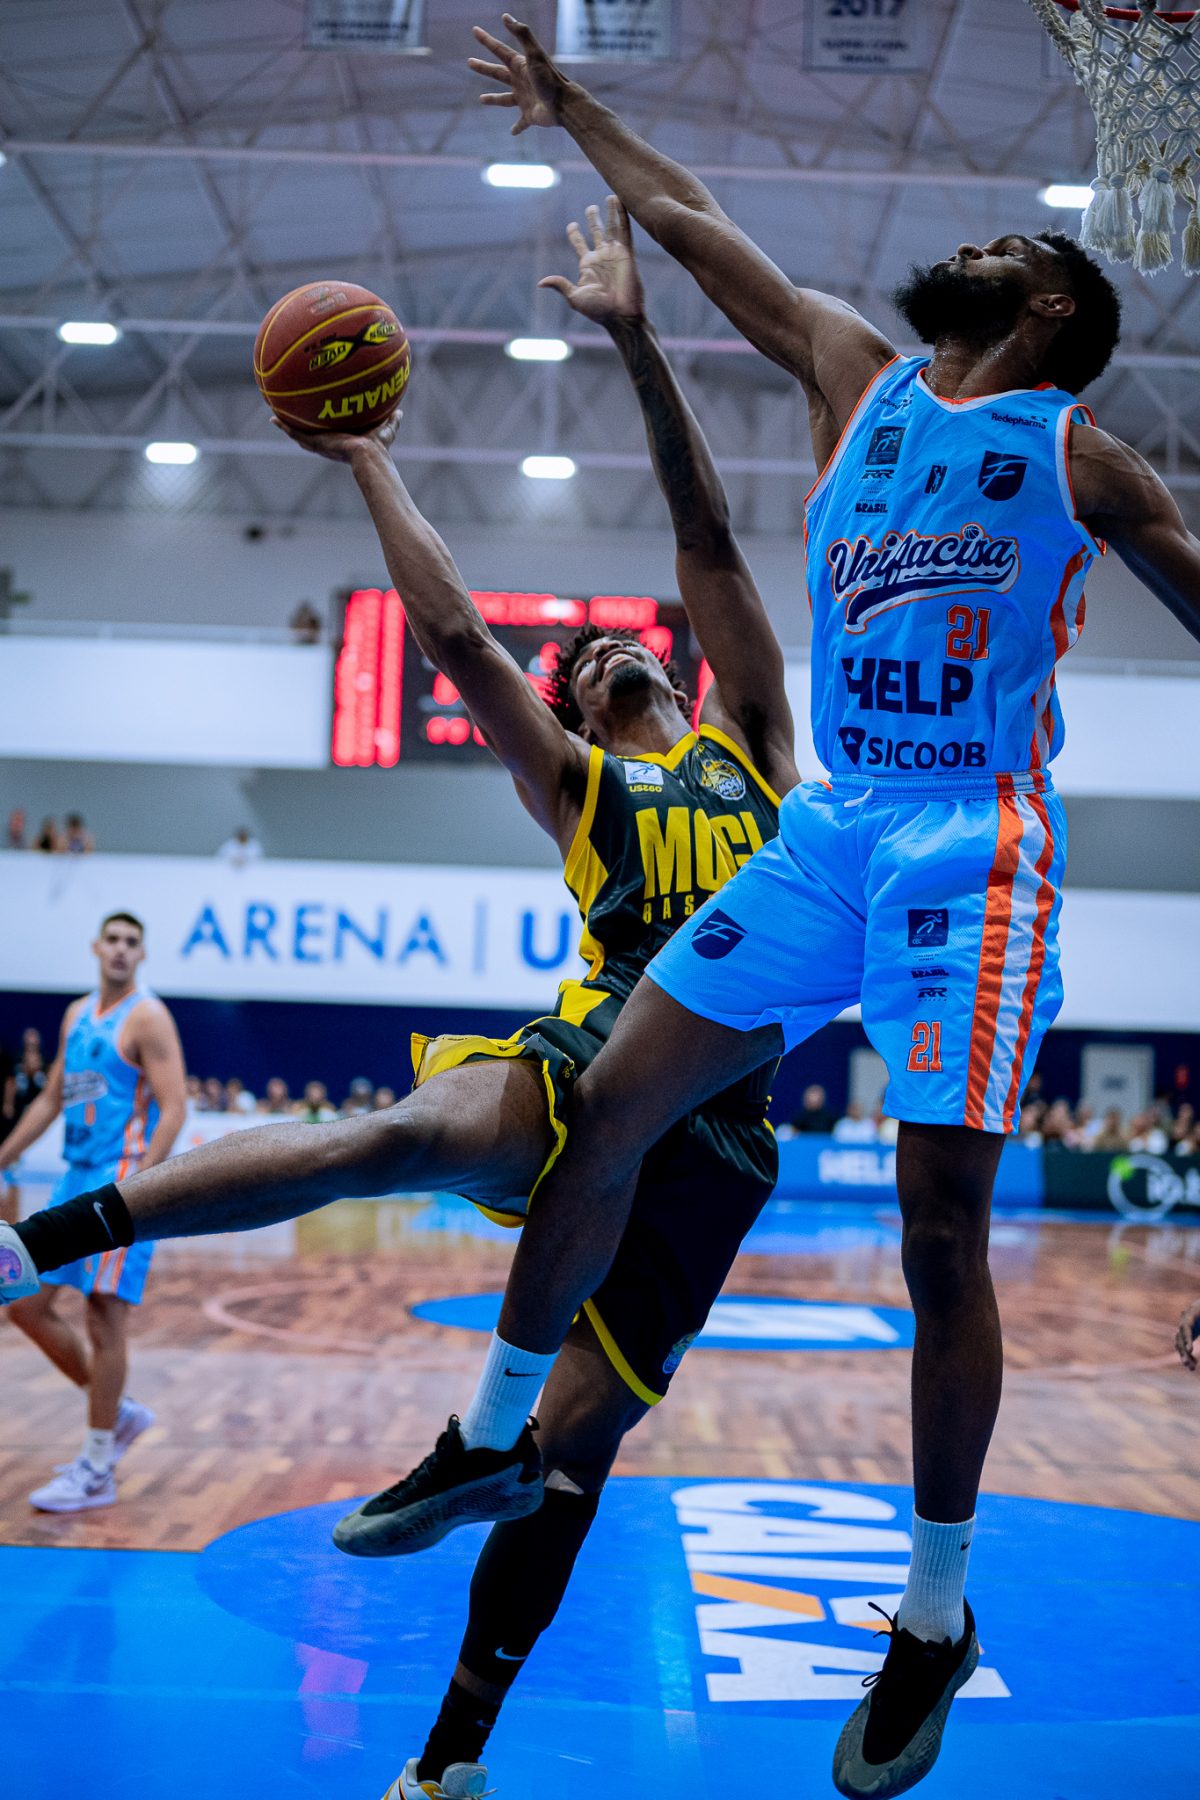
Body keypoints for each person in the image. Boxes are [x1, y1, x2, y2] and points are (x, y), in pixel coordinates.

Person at [370, 17, 1200, 1799]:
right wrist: (574, 107)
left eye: (1008, 246)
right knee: (606, 1104)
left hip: (976, 842)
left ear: (1051, 306)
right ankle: (493, 1435)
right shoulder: (858, 376)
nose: (970, 245)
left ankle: (933, 1613)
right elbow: (692, 219)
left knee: (938, 1232)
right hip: (833, 825)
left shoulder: (1082, 459)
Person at [0, 209, 799, 1799]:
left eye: (617, 648)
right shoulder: (582, 790)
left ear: (678, 675)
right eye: (579, 664)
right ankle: (33, 1243)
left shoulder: (755, 751)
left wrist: (641, 339)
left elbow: (707, 536)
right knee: (387, 1137)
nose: (599, 658)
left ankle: (450, 1763)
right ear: (577, 711)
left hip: (722, 1137)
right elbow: (452, 634)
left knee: (566, 1471)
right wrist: (366, 453)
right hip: (600, 1052)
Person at [0, 913, 185, 1512]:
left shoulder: (148, 1016)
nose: (121, 950)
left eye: (132, 942)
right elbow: (52, 1097)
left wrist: (144, 1187)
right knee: (25, 1305)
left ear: (142, 954)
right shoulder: (77, 1014)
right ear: (96, 947)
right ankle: (118, 1412)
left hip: (121, 1178)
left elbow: (175, 1106)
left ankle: (98, 1466)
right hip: (73, 1178)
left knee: (103, 1317)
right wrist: (3, 1154)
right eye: (114, 940)